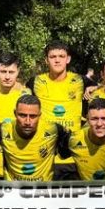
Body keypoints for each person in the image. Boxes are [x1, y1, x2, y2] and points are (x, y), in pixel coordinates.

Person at [27, 42, 86, 180]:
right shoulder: (35, 82)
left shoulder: (81, 81)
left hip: (72, 158)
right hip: (44, 157)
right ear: (46, 60)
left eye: (61, 56)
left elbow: (102, 90)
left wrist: (93, 88)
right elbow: (17, 91)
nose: (57, 60)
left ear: (68, 59)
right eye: (53, 57)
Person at [0, 95, 70, 182]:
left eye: (33, 116)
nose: (27, 122)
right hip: (12, 188)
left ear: (40, 115)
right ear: (15, 113)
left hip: (43, 189)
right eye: (22, 115)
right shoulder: (2, 130)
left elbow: (70, 149)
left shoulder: (54, 130)